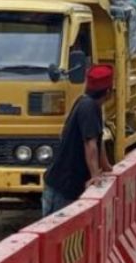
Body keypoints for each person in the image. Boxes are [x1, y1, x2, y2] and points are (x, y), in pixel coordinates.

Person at [42, 63, 114, 215]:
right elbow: (90, 144)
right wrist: (95, 176)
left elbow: (98, 141)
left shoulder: (88, 103)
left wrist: (106, 167)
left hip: (68, 186)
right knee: (58, 235)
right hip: (62, 188)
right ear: (108, 92)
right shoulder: (89, 107)